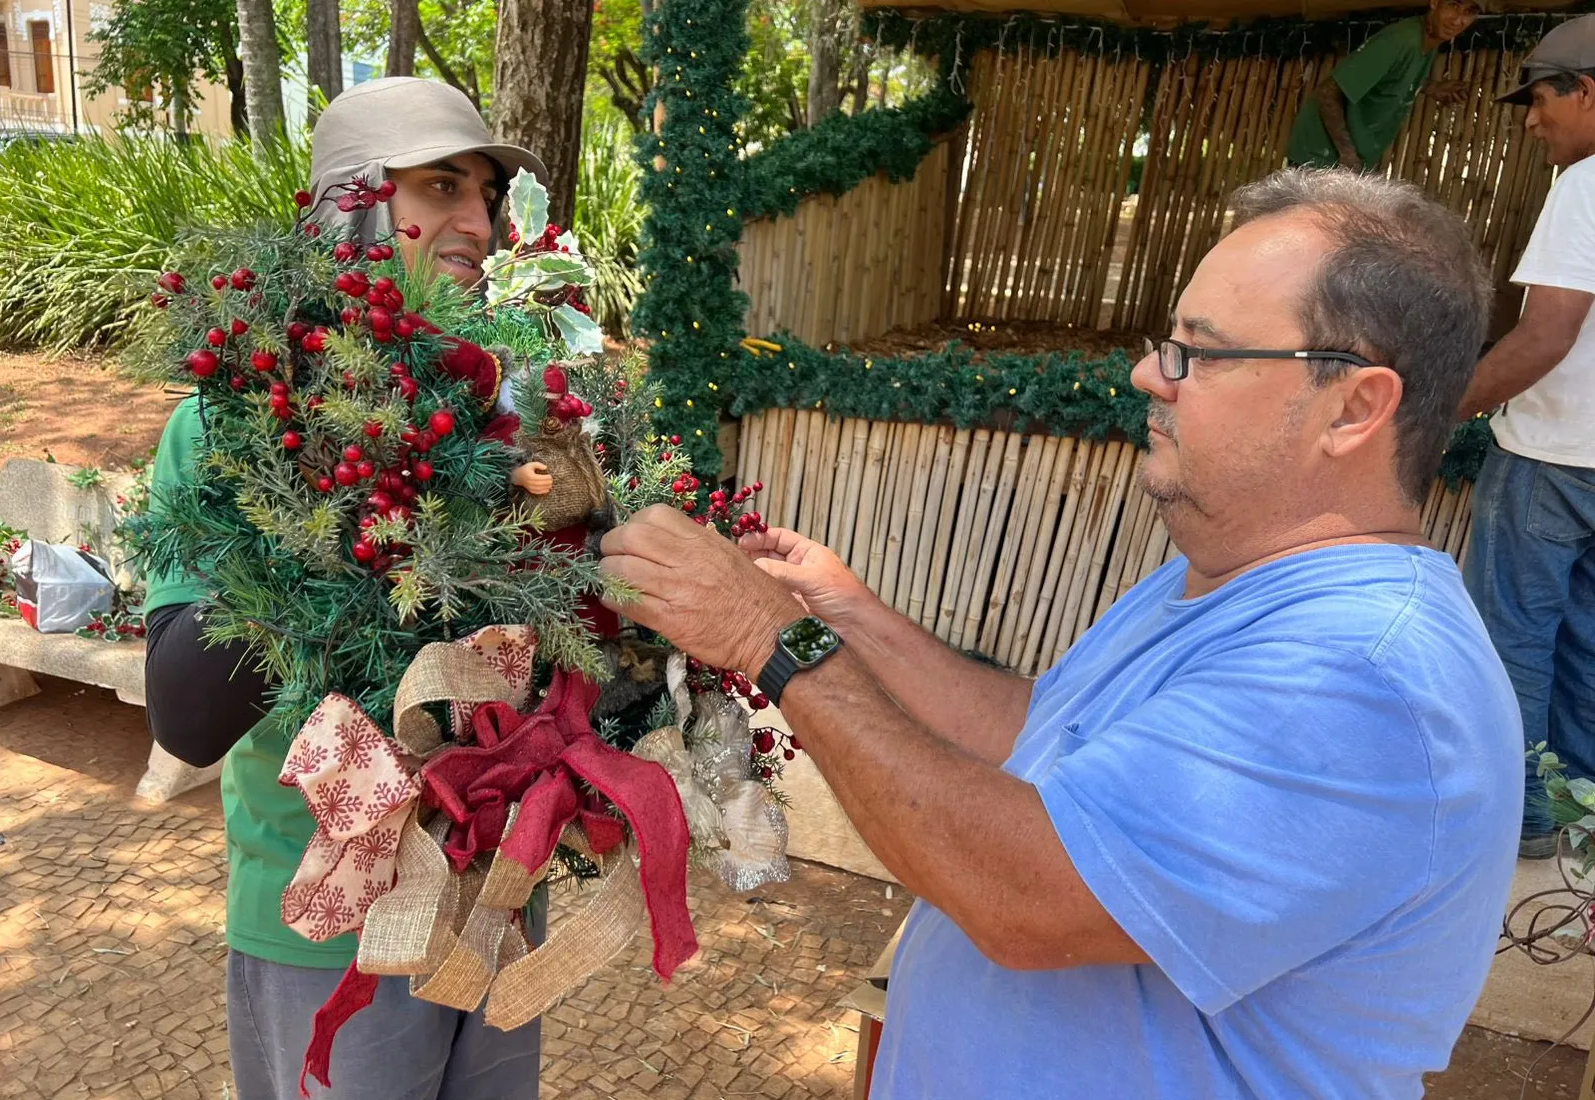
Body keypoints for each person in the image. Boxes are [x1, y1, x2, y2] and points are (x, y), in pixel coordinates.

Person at [599, 168, 1522, 1099]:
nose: (1148, 375)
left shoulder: (1358, 676)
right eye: (1167, 343)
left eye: (1199, 353)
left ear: (1354, 407)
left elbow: (1027, 895)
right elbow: (1041, 736)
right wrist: (849, 617)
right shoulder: (1231, 581)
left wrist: (771, 638)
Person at [142, 77, 548, 1100]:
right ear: (350, 210)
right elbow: (186, 715)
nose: (479, 220)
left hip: (496, 899)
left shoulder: (503, 421)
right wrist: (333, 490)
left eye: (487, 193)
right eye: (443, 184)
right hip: (329, 931)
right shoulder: (237, 422)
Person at [1458, 14, 1595, 860]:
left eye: (1543, 98)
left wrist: (1442, 406)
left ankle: (1522, 821)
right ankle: (1577, 812)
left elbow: (1546, 335)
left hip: (1551, 457)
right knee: (1587, 646)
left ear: (1589, 92)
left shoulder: (1586, 185)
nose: (1532, 120)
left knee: (1512, 640)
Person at [1287, 0, 1481, 172]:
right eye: (1453, 5)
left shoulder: (1427, 41)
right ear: (1434, 2)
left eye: (1469, 11)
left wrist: (1431, 87)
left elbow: (1390, 77)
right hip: (1320, 156)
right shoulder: (1401, 40)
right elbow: (1328, 92)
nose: (1458, 20)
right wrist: (1347, 154)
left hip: (1340, 159)